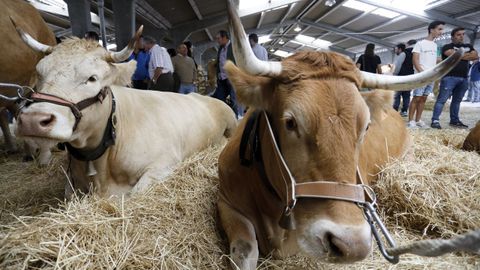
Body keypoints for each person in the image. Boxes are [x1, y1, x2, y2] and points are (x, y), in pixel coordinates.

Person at [430, 27, 478, 129]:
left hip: (464, 78)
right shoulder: (447, 46)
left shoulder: (468, 46)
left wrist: (459, 55)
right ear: (452, 37)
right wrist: (466, 55)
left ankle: (454, 120)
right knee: (441, 100)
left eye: (463, 34)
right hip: (449, 77)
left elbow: (475, 56)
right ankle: (435, 120)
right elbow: (452, 54)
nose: (461, 36)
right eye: (458, 34)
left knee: (457, 101)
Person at [407, 20, 445, 129]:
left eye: (442, 29)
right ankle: (411, 121)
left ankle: (418, 120)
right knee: (416, 98)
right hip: (421, 76)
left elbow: (436, 60)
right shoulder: (420, 44)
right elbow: (415, 60)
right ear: (432, 30)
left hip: (431, 77)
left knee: (423, 98)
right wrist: (422, 74)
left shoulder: (435, 45)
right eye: (439, 29)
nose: (441, 32)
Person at [212, 30, 239, 117]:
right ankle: (223, 118)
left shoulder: (234, 46)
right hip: (222, 78)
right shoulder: (220, 48)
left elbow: (238, 61)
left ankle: (235, 120)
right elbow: (220, 61)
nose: (217, 40)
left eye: (218, 38)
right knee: (219, 99)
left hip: (231, 78)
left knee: (233, 100)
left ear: (224, 38)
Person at [392, 40, 416, 117]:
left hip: (401, 77)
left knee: (397, 94)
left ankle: (395, 110)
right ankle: (404, 111)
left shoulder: (403, 53)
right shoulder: (416, 54)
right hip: (410, 77)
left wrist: (394, 74)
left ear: (407, 44)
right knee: (407, 95)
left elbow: (398, 66)